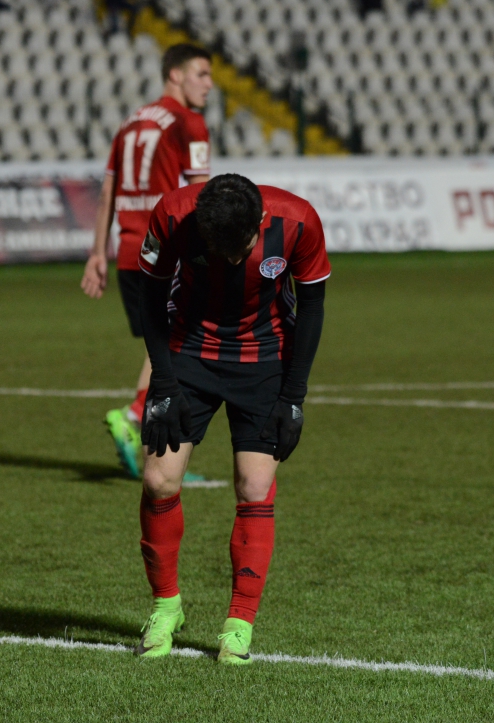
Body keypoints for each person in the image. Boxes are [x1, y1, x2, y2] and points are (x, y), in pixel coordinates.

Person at [133, 174, 330, 663]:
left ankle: (239, 624)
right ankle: (165, 608)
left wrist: (294, 396)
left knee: (254, 486)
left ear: (259, 221)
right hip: (188, 351)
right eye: (217, 251)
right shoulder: (172, 215)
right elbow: (150, 297)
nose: (231, 261)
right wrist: (163, 382)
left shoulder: (299, 221)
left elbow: (312, 306)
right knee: (158, 480)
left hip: (265, 357)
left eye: (238, 252)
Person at [81, 43, 213, 480]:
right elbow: (201, 193)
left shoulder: (131, 121)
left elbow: (107, 192)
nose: (209, 85)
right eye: (201, 74)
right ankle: (136, 418)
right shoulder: (189, 122)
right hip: (164, 250)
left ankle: (152, 448)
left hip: (127, 252)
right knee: (182, 346)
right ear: (175, 75)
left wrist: (97, 253)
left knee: (163, 345)